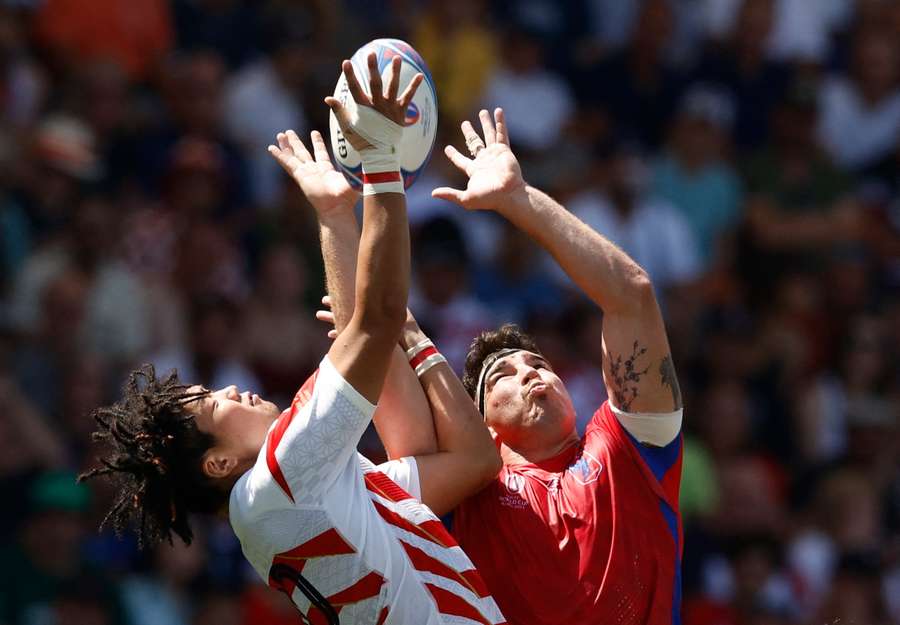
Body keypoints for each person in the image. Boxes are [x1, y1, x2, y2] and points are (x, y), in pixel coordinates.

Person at [80, 54, 504, 625]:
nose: (234, 389)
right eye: (216, 403)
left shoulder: (310, 493)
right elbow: (371, 328)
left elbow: (470, 459)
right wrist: (380, 163)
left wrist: (339, 221)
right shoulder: (280, 478)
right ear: (217, 462)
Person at [432, 108, 685, 625]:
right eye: (501, 375)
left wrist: (518, 200)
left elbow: (631, 297)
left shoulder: (625, 449)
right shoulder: (464, 495)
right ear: (481, 428)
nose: (530, 372)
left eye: (538, 363)